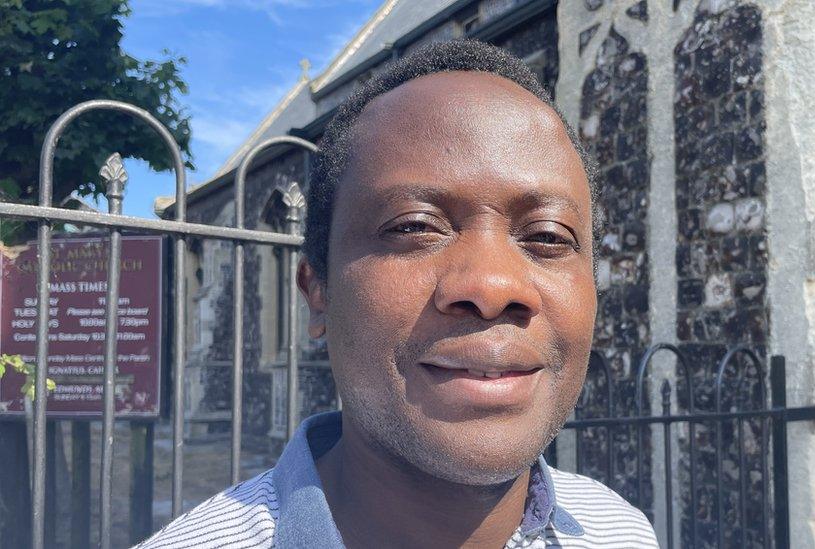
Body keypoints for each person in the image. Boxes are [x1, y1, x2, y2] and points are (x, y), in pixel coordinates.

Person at [137, 39, 659, 549]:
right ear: (317, 291)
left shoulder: (624, 530)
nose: (493, 287)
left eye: (548, 236)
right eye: (414, 227)